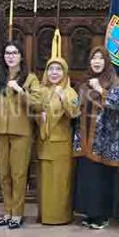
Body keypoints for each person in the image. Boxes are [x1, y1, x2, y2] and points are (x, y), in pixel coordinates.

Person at [32, 32, 80, 225]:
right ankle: (45, 215)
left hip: (61, 145)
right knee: (45, 183)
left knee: (61, 182)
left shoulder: (70, 91)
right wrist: (39, 116)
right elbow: (33, 110)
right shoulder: (41, 90)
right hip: (44, 143)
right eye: (50, 69)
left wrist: (62, 97)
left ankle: (60, 217)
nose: (54, 73)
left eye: (58, 69)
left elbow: (74, 112)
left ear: (64, 72)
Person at [74, 47, 119, 230]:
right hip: (85, 138)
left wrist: (100, 90)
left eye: (100, 58)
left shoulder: (114, 81)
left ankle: (102, 216)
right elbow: (77, 106)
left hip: (105, 139)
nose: (96, 62)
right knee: (88, 176)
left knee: (101, 177)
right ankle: (90, 213)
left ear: (106, 61)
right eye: (93, 58)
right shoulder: (84, 83)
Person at [0, 41, 39, 229]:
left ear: (21, 56)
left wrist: (20, 90)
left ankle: (17, 213)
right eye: (7, 53)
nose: (10, 56)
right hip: (1, 131)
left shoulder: (30, 78)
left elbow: (37, 102)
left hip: (22, 132)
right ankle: (7, 211)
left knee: (18, 174)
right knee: (4, 174)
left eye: (14, 53)